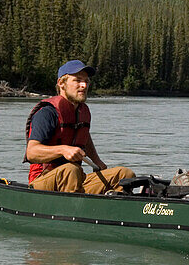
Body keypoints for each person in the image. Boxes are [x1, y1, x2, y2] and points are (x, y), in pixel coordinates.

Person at [24, 60, 135, 194]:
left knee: (125, 175)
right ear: (61, 83)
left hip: (75, 179)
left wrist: (97, 160)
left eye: (86, 81)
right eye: (77, 80)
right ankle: (74, 211)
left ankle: (111, 210)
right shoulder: (47, 113)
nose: (84, 85)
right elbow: (32, 152)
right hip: (42, 181)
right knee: (70, 170)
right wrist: (63, 150)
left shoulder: (82, 112)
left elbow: (84, 137)